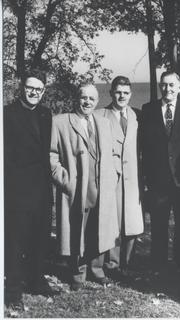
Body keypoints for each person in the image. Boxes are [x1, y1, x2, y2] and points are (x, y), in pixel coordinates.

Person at [50, 83, 120, 291]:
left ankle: (97, 270)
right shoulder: (60, 122)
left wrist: (114, 175)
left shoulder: (104, 122)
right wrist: (65, 180)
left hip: (102, 187)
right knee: (77, 229)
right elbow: (51, 155)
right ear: (76, 99)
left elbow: (114, 153)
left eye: (91, 98)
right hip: (77, 189)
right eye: (83, 97)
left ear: (97, 101)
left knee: (99, 228)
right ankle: (78, 274)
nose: (87, 101)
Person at [140, 70, 180, 277]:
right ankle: (158, 263)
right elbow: (143, 146)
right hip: (158, 179)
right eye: (163, 85)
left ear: (179, 87)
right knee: (159, 223)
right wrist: (144, 177)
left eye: (171, 85)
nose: (167, 89)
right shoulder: (148, 110)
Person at [4, 69, 58, 308]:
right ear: (21, 87)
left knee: (40, 237)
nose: (34, 92)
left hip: (42, 188)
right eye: (30, 87)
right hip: (16, 189)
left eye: (39, 89)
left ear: (43, 91)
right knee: (15, 241)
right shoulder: (6, 114)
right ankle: (13, 291)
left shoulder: (47, 114)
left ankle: (36, 280)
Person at [95, 76, 144, 280]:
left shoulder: (138, 116)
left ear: (130, 94)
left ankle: (128, 262)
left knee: (132, 222)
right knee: (112, 221)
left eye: (125, 92)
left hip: (133, 177)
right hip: (110, 178)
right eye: (118, 92)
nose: (121, 96)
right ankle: (112, 263)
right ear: (111, 93)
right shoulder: (99, 115)